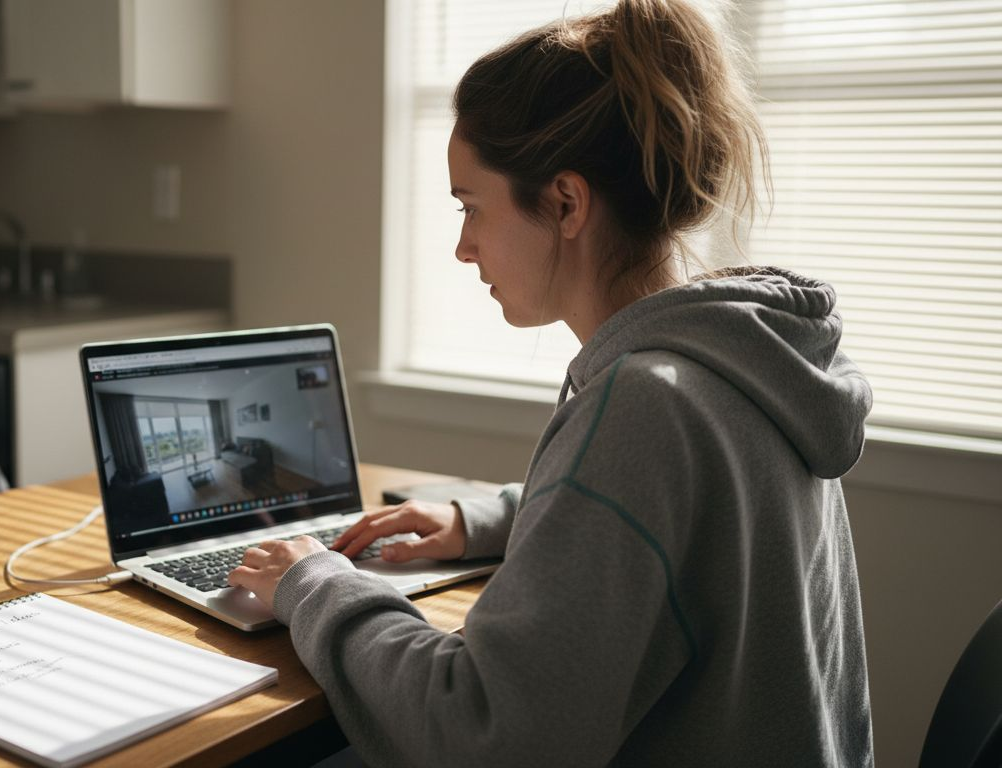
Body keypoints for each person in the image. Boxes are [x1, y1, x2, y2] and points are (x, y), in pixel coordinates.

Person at [228, 0, 875, 764]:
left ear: (566, 202)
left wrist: (313, 583)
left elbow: (483, 732)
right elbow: (679, 526)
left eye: (472, 207)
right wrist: (487, 519)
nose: (463, 246)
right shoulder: (742, 363)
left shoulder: (643, 408)